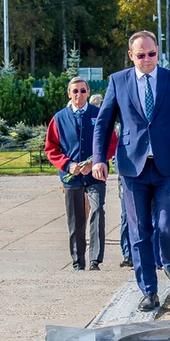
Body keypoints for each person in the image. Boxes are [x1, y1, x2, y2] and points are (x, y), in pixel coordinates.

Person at [92, 30, 170, 312]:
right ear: (131, 56)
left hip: (167, 167)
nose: (147, 60)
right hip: (132, 169)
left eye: (152, 54)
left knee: (165, 227)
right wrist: (99, 157)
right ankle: (149, 290)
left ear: (157, 52)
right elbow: (104, 123)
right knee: (139, 232)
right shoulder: (118, 81)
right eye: (141, 55)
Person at [46, 77, 116, 271]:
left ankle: (95, 259)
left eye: (83, 91)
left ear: (88, 92)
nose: (79, 95)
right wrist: (68, 165)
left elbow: (111, 143)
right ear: (69, 94)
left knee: (97, 211)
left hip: (95, 174)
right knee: (76, 218)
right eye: (75, 91)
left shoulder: (99, 114)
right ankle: (78, 260)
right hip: (72, 176)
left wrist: (96, 161)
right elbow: (51, 148)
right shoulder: (60, 118)